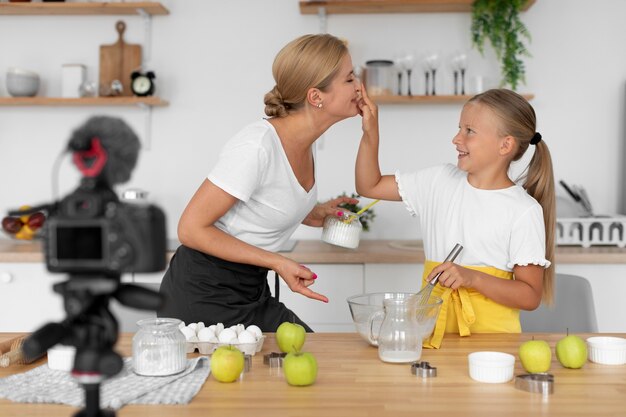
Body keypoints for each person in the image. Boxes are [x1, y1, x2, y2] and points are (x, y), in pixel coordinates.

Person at [158, 33, 364, 332]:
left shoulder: (304, 142)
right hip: (202, 292)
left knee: (307, 358)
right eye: (349, 79)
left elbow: (266, 200)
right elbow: (190, 229)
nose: (359, 86)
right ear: (316, 97)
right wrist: (277, 262)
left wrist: (314, 212)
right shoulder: (257, 146)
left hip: (249, 289)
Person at [355, 87, 555, 348]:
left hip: (495, 347)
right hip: (432, 338)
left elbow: (530, 296)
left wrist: (472, 278)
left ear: (505, 145)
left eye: (469, 131)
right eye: (459, 128)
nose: (456, 138)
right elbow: (369, 186)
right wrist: (371, 132)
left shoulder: (523, 210)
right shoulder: (439, 181)